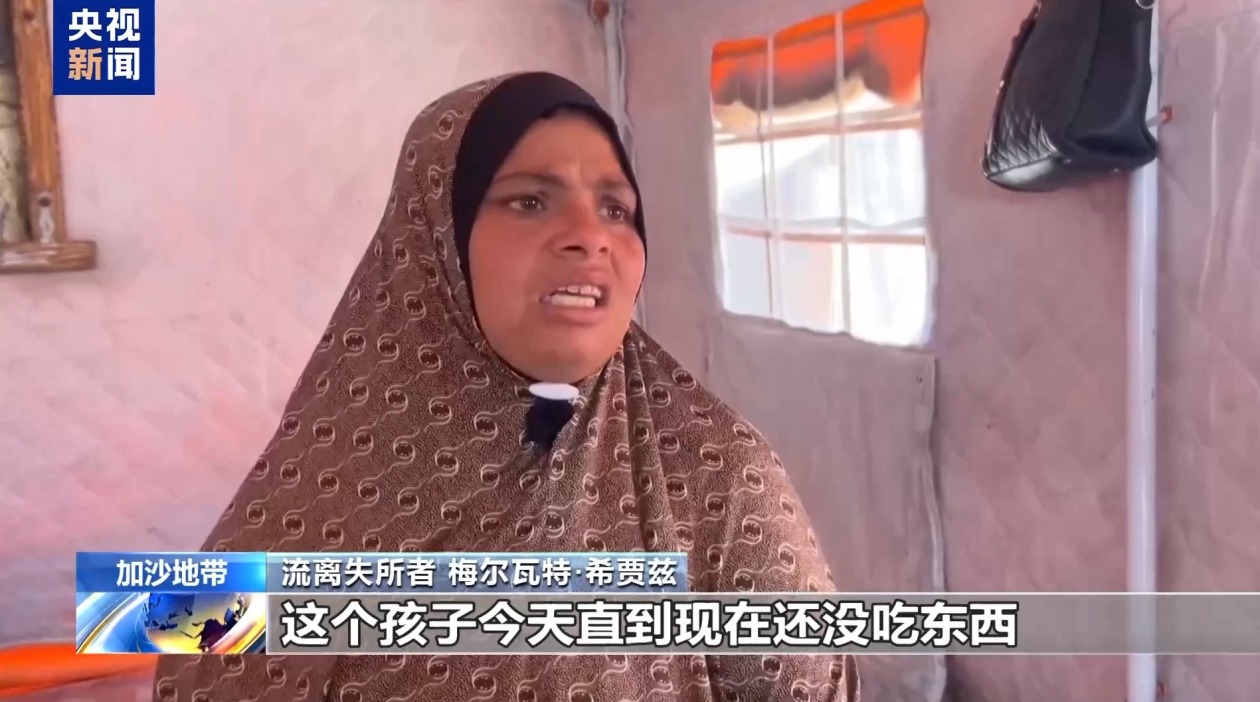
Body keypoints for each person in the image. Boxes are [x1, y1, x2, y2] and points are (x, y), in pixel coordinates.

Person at [152, 71, 858, 702]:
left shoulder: (716, 477)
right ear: (437, 235)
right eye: (530, 201)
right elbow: (199, 652)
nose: (590, 235)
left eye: (616, 209)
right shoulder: (327, 472)